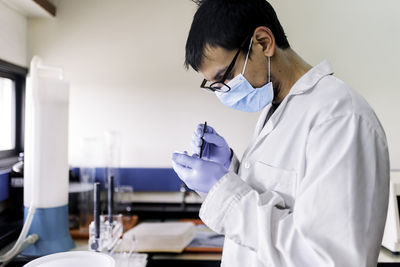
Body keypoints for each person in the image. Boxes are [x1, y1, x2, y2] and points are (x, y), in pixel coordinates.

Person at [171, 0, 390, 266]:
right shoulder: (277, 108)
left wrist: (223, 192)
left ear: (263, 42)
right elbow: (273, 200)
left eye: (226, 77)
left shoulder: (340, 118)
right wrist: (228, 169)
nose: (224, 92)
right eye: (215, 85)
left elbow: (328, 258)